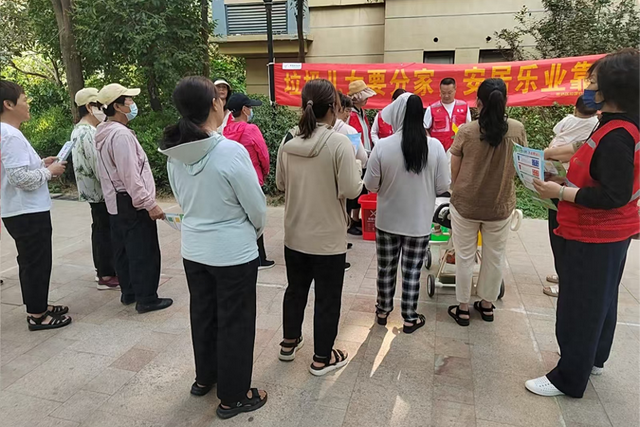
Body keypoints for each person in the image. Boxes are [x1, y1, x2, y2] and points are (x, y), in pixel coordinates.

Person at [527, 48, 639, 399]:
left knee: (580, 304)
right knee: (600, 299)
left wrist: (561, 192)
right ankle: (593, 358)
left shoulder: (618, 135)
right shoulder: (617, 124)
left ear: (612, 89)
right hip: (608, 232)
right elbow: (598, 176)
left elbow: (614, 194)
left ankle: (569, 377)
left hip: (596, 232)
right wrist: (564, 180)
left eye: (595, 83)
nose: (589, 89)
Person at [159, 76, 268, 419]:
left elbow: (183, 199)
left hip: (194, 249)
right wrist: (252, 232)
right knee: (235, 321)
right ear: (214, 105)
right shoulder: (230, 152)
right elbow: (256, 207)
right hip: (232, 252)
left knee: (203, 315)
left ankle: (205, 377)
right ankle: (234, 396)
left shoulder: (174, 154)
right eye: (219, 98)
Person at [276, 79, 363, 376]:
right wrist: (358, 169)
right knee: (327, 298)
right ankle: (322, 358)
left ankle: (289, 343)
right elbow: (351, 189)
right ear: (334, 107)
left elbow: (280, 183)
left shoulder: (288, 139)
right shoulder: (339, 143)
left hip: (294, 233)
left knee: (295, 290)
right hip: (327, 239)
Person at [364, 93, 450, 333]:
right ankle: (410, 318)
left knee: (385, 269)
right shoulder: (435, 146)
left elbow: (370, 185)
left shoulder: (383, 146)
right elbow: (443, 186)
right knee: (412, 271)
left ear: (398, 114)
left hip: (387, 221)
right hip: (418, 223)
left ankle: (382, 312)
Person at [447, 78, 527, 327]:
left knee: (464, 256)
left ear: (478, 102)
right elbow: (522, 164)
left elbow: (454, 167)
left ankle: (462, 308)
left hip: (466, 205)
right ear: (505, 101)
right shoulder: (517, 129)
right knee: (494, 256)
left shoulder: (467, 131)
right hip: (500, 205)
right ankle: (487, 304)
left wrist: (457, 189)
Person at [95, 83, 172, 314]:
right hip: (131, 201)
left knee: (124, 249)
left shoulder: (104, 131)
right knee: (143, 250)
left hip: (117, 202)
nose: (133, 104)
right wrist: (149, 204)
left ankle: (129, 292)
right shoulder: (120, 135)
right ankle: (147, 298)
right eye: (129, 100)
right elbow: (130, 176)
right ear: (118, 106)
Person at [0, 80, 71, 331]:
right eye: (24, 99)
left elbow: (16, 171)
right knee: (35, 262)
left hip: (22, 210)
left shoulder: (8, 133)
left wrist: (41, 164)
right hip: (26, 211)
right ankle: (37, 315)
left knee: (34, 261)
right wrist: (50, 172)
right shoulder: (10, 135)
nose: (28, 104)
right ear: (8, 104)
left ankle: (38, 304)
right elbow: (19, 179)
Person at [543, 95, 599, 297]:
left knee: (563, 237)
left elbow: (572, 150)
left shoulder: (596, 128)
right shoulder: (594, 124)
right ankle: (563, 275)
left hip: (569, 189)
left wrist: (548, 153)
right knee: (557, 233)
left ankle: (566, 283)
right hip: (559, 184)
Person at [71, 88, 119, 291]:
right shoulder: (89, 133)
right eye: (100, 106)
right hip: (100, 193)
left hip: (93, 193)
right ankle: (106, 274)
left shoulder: (79, 130)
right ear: (90, 108)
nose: (103, 110)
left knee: (100, 229)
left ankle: (103, 270)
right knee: (105, 232)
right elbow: (99, 167)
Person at [223, 93, 275, 270]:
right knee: (256, 216)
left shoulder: (226, 130)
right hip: (253, 178)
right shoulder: (251, 129)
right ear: (245, 110)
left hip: (232, 180)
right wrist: (265, 172)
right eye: (250, 107)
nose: (251, 110)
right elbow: (263, 154)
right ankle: (260, 258)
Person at [346, 80, 376, 235]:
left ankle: (355, 218)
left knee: (362, 189)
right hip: (355, 158)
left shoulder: (361, 113)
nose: (367, 99)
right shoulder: (350, 115)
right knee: (353, 191)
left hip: (364, 157)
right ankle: (350, 221)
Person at [423, 78, 472, 152]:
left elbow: (469, 127)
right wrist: (430, 143)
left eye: (449, 93)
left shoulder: (464, 106)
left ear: (455, 90)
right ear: (439, 91)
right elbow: (424, 128)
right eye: (443, 93)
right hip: (438, 149)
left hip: (458, 149)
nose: (446, 96)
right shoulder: (432, 108)